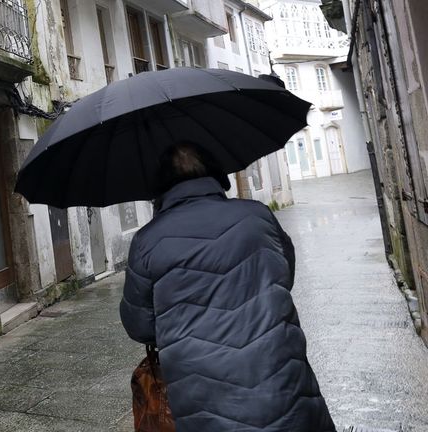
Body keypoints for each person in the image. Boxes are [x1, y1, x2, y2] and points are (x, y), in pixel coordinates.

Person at [120, 143, 336, 431]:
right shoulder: (258, 216)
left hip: (202, 400)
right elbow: (284, 274)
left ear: (160, 186)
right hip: (282, 382)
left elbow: (140, 326)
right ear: (217, 174)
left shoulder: (146, 241)